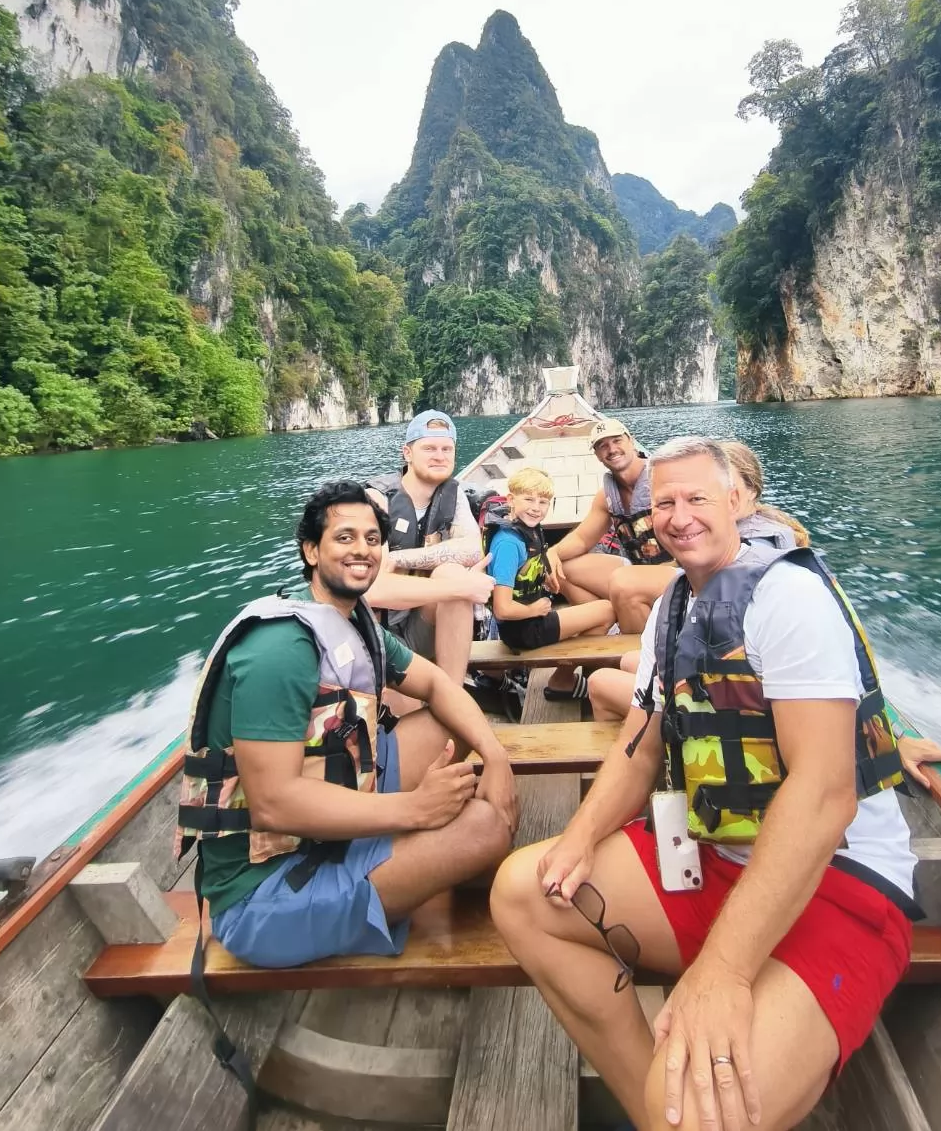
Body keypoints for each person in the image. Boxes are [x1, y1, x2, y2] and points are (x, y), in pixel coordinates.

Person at [492, 436, 922, 1131]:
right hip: (716, 856)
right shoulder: (672, 608)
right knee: (523, 891)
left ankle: (677, 1104)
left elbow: (823, 794)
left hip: (834, 881)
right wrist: (577, 836)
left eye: (697, 497)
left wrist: (720, 973)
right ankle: (653, 1105)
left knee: (696, 1106)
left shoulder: (788, 597)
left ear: (740, 500)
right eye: (664, 502)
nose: (678, 515)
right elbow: (638, 744)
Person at [176, 479, 518, 970]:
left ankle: (421, 862)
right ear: (311, 551)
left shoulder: (354, 622)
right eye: (344, 537)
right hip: (266, 890)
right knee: (484, 827)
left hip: (336, 817)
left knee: (452, 727)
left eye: (373, 539)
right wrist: (415, 810)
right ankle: (424, 861)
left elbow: (441, 686)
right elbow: (273, 805)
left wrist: (497, 756)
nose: (362, 550)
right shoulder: (278, 650)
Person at [587, 440, 941, 785]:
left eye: (705, 494)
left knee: (603, 681)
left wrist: (890, 737)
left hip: (755, 724)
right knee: (627, 664)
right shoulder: (751, 540)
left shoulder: (768, 563)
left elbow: (830, 665)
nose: (689, 512)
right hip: (727, 677)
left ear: (741, 494)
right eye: (671, 501)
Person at [542, 418, 677, 699]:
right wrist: (551, 552)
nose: (611, 449)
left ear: (631, 440)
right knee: (565, 567)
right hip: (635, 569)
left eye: (617, 441)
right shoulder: (608, 495)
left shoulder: (663, 481)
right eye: (603, 446)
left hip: (677, 572)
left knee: (624, 581)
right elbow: (581, 540)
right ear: (597, 454)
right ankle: (607, 620)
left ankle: (627, 652)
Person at [365, 411, 494, 689]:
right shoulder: (377, 500)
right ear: (408, 453)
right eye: (429, 448)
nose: (440, 456)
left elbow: (474, 549)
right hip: (376, 640)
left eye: (447, 448)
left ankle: (452, 694)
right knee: (457, 583)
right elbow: (373, 589)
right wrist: (459, 589)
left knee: (452, 574)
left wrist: (400, 557)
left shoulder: (452, 495)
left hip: (419, 627)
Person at [487, 467, 614, 653]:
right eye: (528, 499)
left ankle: (572, 671)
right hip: (523, 630)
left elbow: (524, 569)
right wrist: (534, 610)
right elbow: (502, 609)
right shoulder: (509, 544)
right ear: (511, 500)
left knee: (592, 604)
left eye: (543, 502)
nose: (536, 508)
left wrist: (543, 576)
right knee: (608, 609)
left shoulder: (528, 529)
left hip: (528, 620)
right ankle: (564, 676)